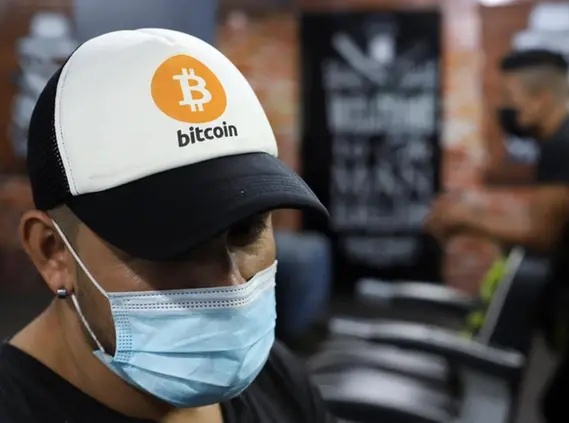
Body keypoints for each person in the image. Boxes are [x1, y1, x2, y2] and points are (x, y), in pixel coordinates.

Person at [0, 28, 332, 423]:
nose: (232, 288)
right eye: (176, 244)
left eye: (247, 230)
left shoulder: (276, 379)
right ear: (52, 252)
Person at [424, 49, 569, 422]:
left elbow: (541, 234)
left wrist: (467, 221)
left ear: (541, 99)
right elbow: (541, 219)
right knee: (559, 406)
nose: (504, 109)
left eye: (510, 99)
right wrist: (473, 211)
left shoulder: (564, 146)